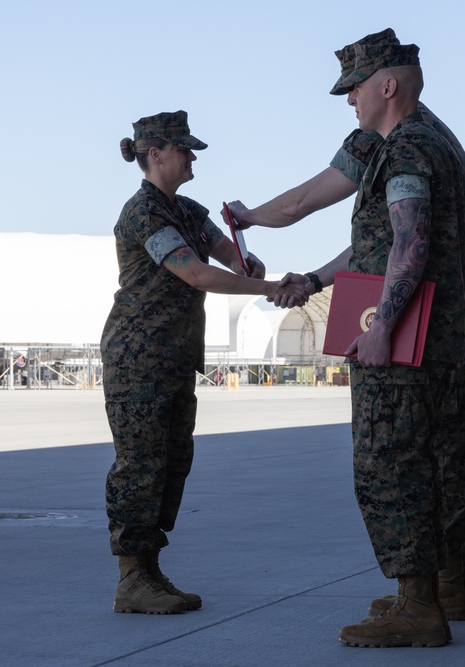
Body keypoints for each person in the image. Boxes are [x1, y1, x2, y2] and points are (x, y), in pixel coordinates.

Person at [228, 29, 465, 637]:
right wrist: (317, 278)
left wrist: (383, 323)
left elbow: (410, 240)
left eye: (354, 88)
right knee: (449, 455)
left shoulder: (403, 149)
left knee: (390, 457)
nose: (348, 99)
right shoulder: (425, 138)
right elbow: (378, 238)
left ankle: (417, 606)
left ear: (387, 84)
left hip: (416, 330)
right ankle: (447, 585)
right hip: (460, 323)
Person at [102, 110, 309, 615]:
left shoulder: (188, 210)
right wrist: (268, 288)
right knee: (140, 465)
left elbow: (222, 253)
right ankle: (131, 578)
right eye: (184, 149)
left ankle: (149, 571)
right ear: (156, 155)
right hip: (139, 357)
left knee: (172, 462)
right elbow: (194, 274)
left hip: (173, 356)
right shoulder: (143, 213)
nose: (192, 157)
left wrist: (245, 260)